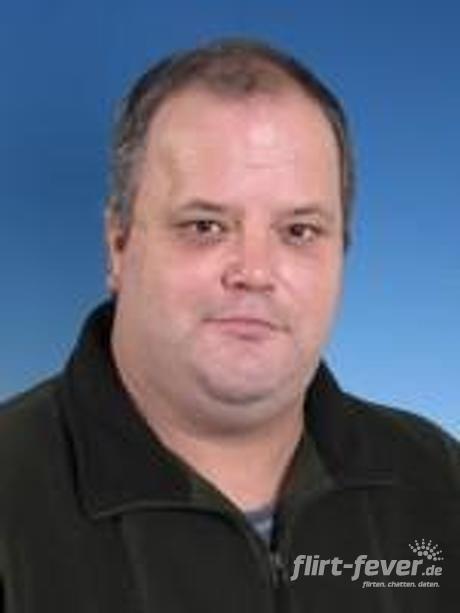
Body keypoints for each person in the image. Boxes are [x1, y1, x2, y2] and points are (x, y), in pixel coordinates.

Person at [0, 38, 458, 613]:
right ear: (118, 245)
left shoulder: (438, 481)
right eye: (205, 226)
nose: (255, 272)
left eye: (299, 231)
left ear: (342, 252)